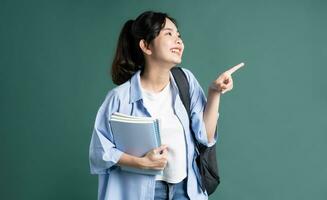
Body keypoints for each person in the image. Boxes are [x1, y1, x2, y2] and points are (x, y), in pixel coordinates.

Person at [89, 10, 237, 200]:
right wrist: (140, 163)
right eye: (169, 33)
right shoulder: (119, 98)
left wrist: (215, 92)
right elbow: (99, 151)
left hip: (186, 189)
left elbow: (206, 137)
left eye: (179, 35)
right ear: (146, 46)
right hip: (143, 193)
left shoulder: (186, 81)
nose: (178, 40)